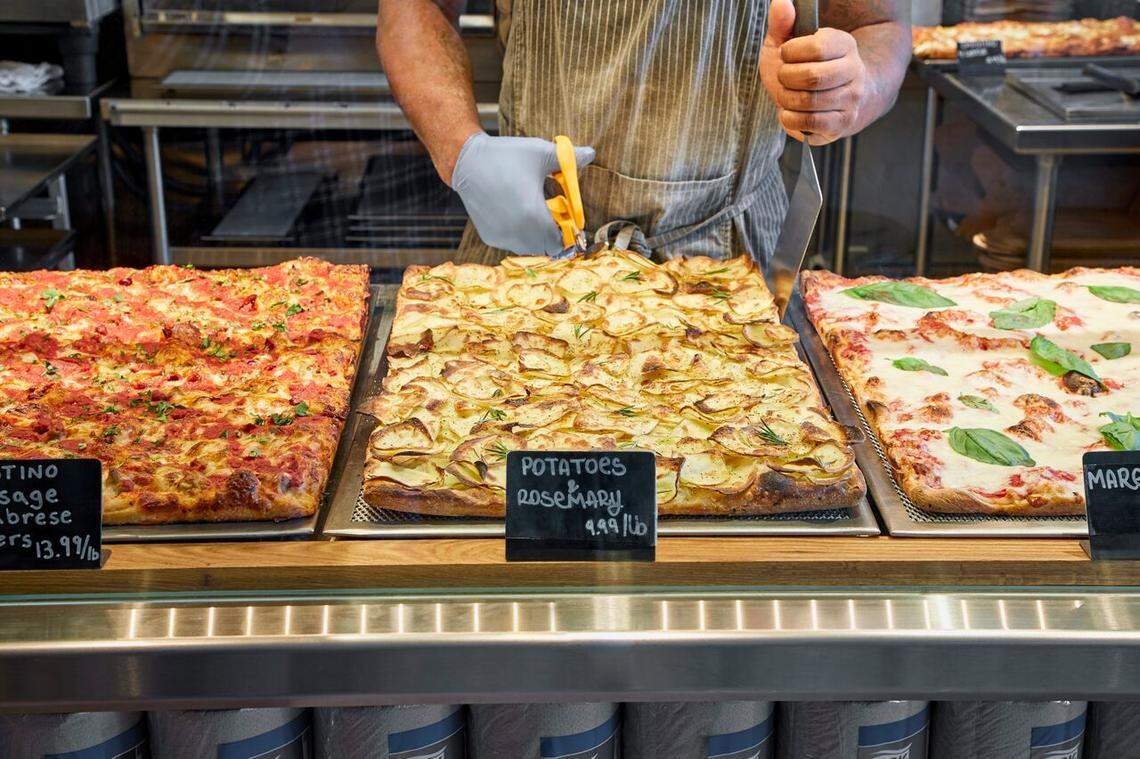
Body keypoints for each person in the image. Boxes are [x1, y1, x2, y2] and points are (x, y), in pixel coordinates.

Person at [377, 0, 909, 261]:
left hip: (726, 269)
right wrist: (463, 152)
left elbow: (877, 26)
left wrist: (852, 86)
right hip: (528, 241)